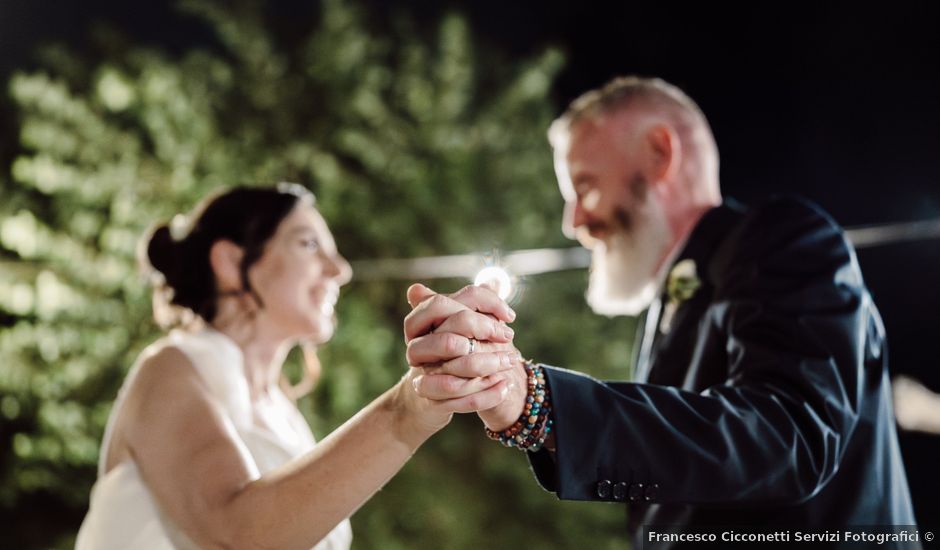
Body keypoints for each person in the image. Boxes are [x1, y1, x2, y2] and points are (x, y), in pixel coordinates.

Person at [403, 77, 919, 545]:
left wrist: (537, 401)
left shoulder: (783, 239)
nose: (573, 220)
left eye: (584, 186)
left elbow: (790, 436)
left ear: (658, 153)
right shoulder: (665, 309)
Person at [75, 184, 517, 550]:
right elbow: (240, 532)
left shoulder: (281, 411)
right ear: (230, 263)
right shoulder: (169, 369)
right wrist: (412, 404)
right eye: (308, 244)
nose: (339, 270)